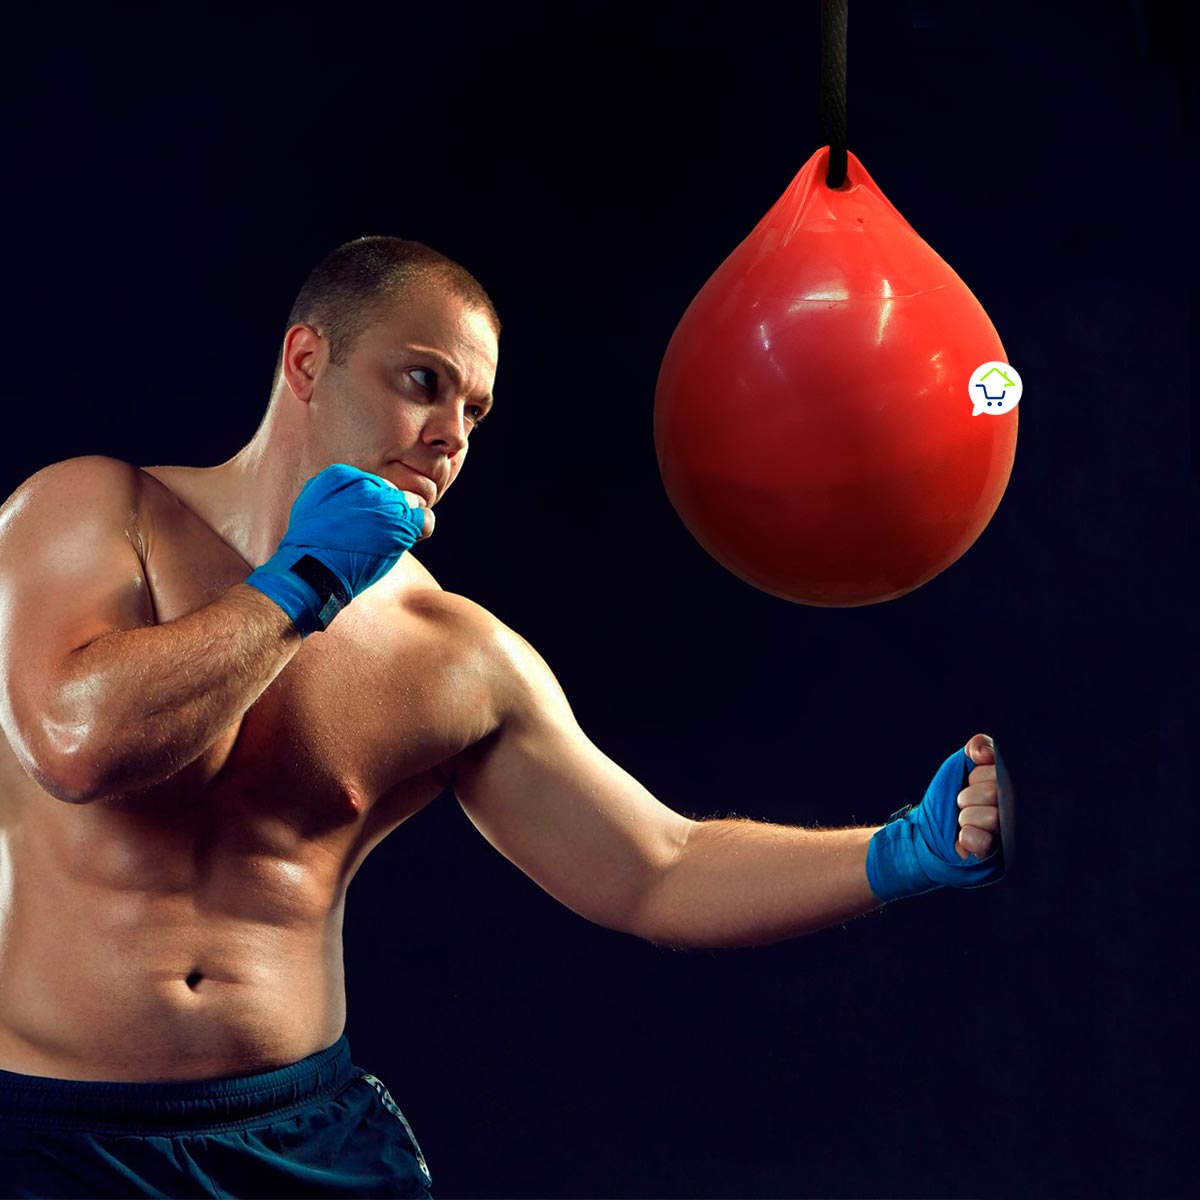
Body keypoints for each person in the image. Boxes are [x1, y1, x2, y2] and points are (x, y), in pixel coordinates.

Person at [0, 236, 1005, 1198]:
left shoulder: (452, 654)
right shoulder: (97, 514)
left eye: (475, 413)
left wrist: (896, 853)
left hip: (298, 1141)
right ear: (308, 360)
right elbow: (80, 745)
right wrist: (304, 582)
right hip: (45, 1140)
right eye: (423, 382)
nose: (449, 435)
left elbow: (657, 869)